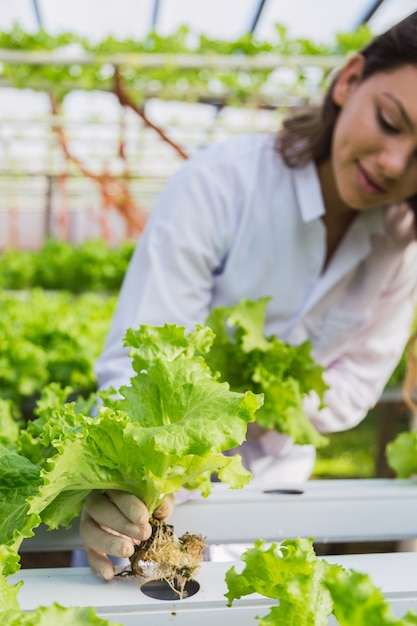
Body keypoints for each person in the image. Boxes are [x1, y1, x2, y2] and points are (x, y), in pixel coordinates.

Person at [80, 12, 417, 579]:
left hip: (274, 499)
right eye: (390, 122)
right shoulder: (221, 185)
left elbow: (357, 388)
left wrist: (247, 403)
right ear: (349, 80)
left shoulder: (399, 247)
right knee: (143, 601)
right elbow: (138, 365)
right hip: (156, 502)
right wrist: (125, 480)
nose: (393, 164)